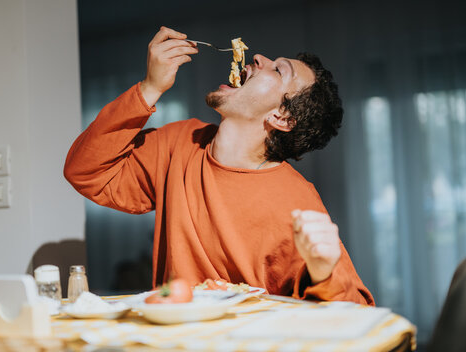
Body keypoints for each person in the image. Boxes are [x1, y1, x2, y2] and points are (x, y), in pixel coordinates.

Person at [64, 26, 374, 305]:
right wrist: (149, 88)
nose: (258, 57)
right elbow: (85, 170)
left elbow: (355, 311)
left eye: (279, 71)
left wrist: (322, 273)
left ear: (281, 117)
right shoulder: (180, 142)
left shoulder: (295, 200)